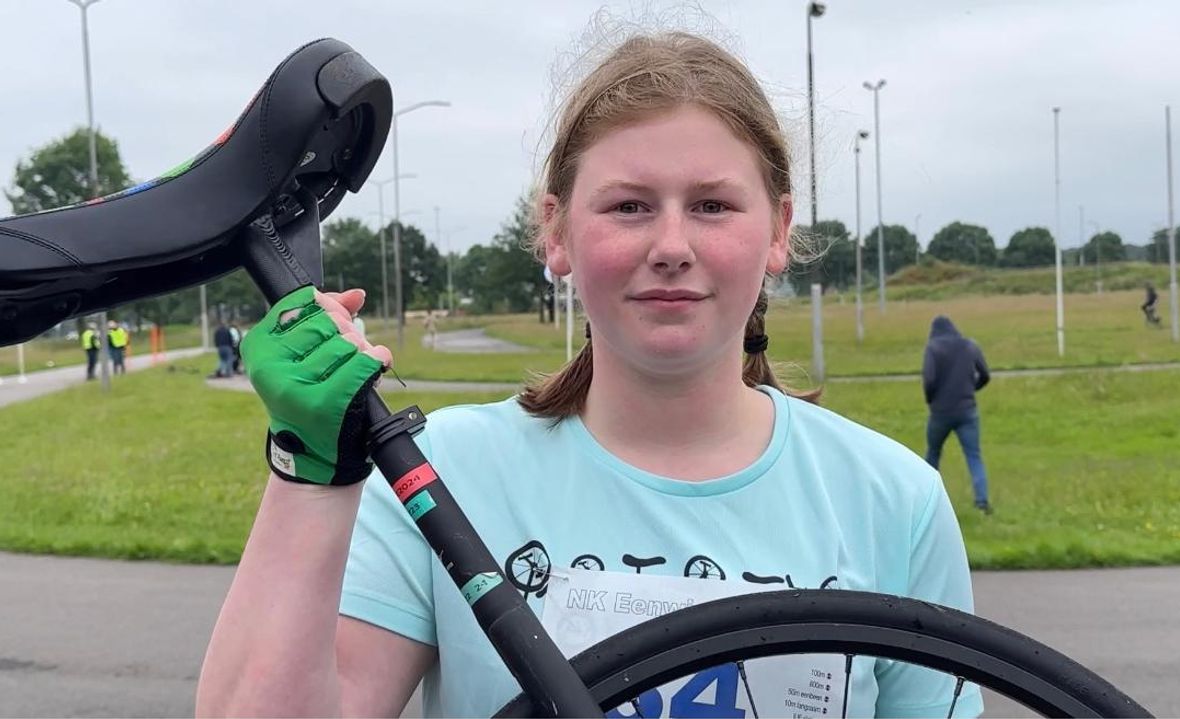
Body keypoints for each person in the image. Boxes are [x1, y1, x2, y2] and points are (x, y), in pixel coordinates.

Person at [196, 31, 982, 718]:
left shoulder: (893, 501)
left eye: (712, 205)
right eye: (629, 206)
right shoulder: (438, 477)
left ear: (778, 229)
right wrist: (309, 473)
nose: (671, 245)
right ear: (557, 231)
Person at [922, 316, 992, 514]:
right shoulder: (970, 345)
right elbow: (985, 374)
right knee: (973, 455)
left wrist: (931, 400)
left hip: (940, 412)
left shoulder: (933, 348)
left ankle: (925, 499)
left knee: (933, 453)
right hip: (967, 410)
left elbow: (929, 380)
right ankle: (982, 501)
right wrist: (972, 389)